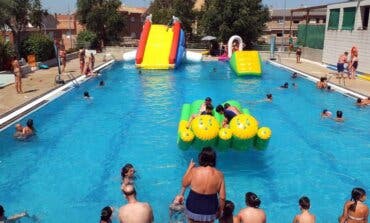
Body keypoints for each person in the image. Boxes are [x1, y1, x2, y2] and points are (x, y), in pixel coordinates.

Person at [177, 147, 226, 223]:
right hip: (210, 210)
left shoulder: (194, 171)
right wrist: (220, 210)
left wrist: (189, 168)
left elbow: (184, 183)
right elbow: (222, 197)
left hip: (193, 208)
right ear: (214, 159)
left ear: (201, 158)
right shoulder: (220, 175)